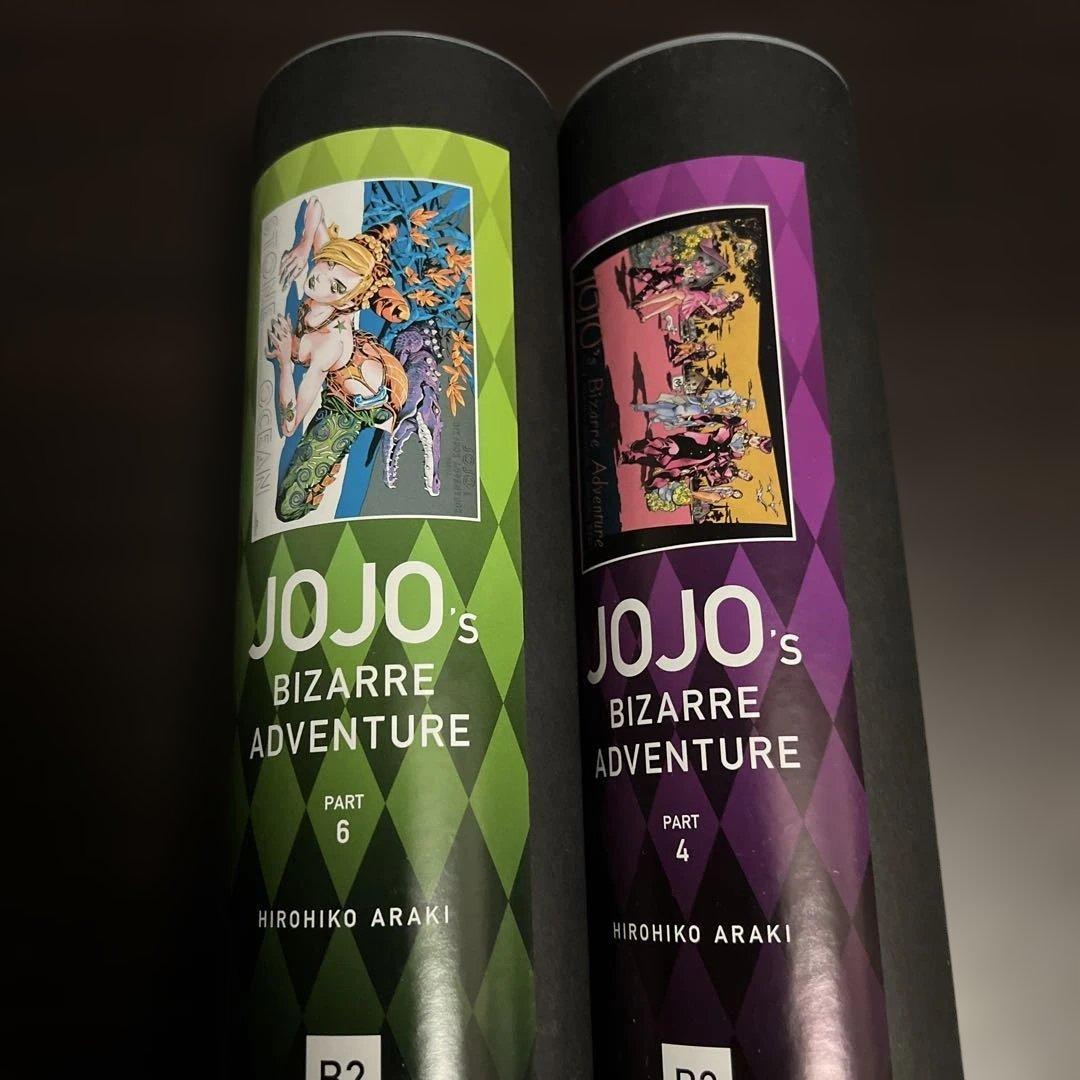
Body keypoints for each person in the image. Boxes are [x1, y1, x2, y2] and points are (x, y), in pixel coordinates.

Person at [267, 197, 411, 521]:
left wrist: (286, 364)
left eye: (336, 285)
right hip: (354, 358)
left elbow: (289, 424)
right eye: (328, 264)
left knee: (289, 505)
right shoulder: (330, 265)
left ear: (348, 301)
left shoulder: (327, 345)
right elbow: (315, 205)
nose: (320, 278)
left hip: (351, 403)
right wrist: (304, 245)